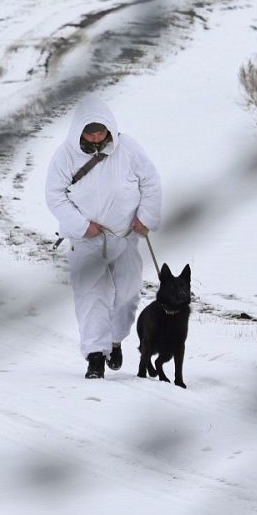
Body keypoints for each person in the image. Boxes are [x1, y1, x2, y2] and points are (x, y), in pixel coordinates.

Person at [44, 95, 162, 379]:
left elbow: (151, 181)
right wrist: (83, 226)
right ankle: (95, 356)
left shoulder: (129, 148)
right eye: (90, 130)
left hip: (125, 236)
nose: (96, 136)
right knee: (90, 295)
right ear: (79, 131)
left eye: (101, 130)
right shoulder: (64, 156)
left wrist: (145, 218)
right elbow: (54, 196)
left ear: (110, 128)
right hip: (87, 240)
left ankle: (115, 340)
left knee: (128, 294)